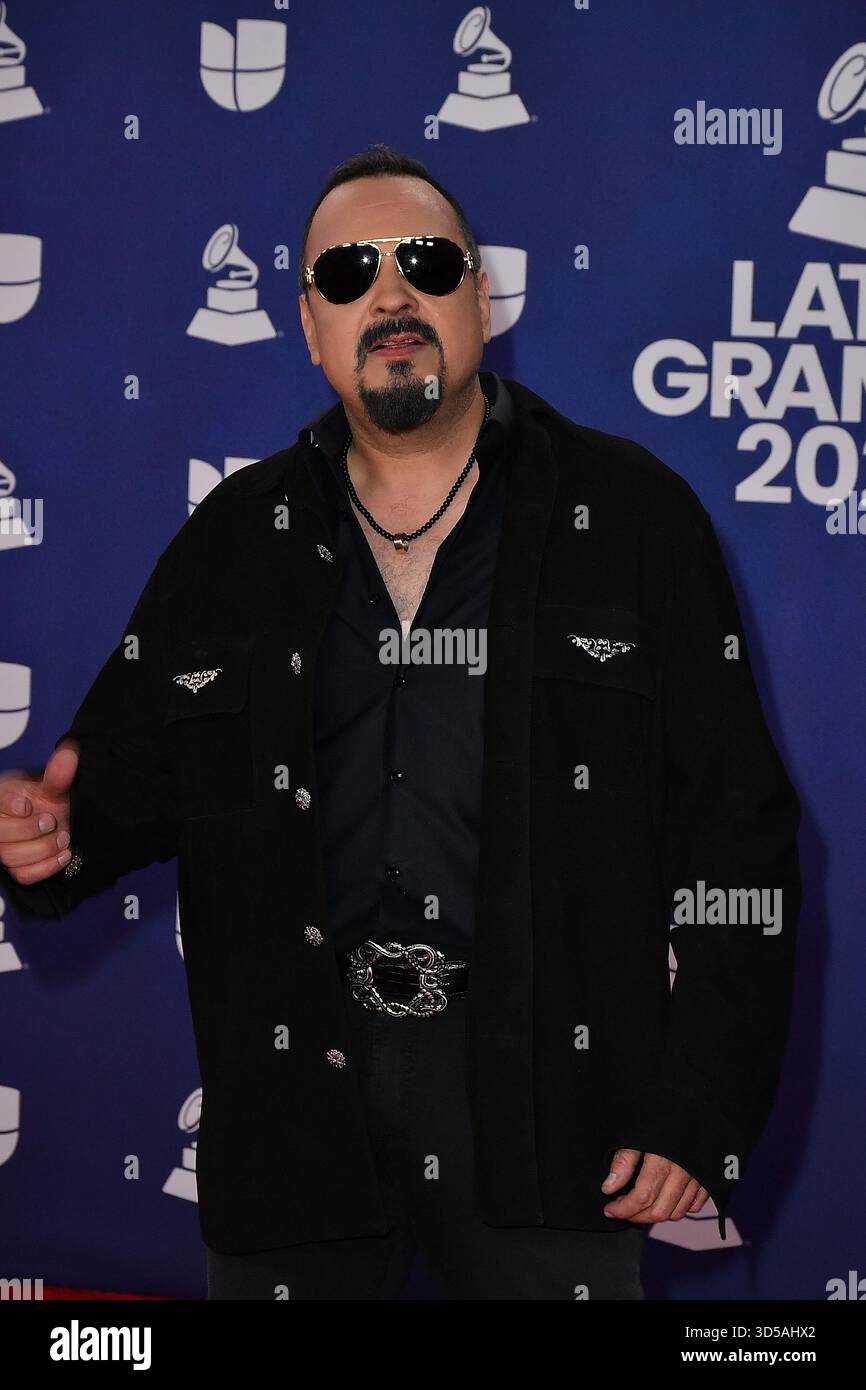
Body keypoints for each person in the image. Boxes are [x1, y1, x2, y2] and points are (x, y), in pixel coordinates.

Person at [0, 144, 801, 1300]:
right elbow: (109, 788)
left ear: (480, 296)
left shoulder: (631, 520)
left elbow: (740, 837)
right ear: (310, 326)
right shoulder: (232, 541)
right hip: (293, 1119)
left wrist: (699, 1108)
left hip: (552, 1111)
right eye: (347, 274)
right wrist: (48, 835)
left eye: (424, 263)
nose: (389, 294)